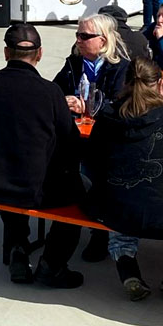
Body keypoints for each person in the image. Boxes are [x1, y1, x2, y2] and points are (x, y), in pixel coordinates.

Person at [0, 23, 85, 288]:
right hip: (29, 188)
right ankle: (51, 264)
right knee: (79, 195)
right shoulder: (50, 92)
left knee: (16, 172)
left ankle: (18, 246)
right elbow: (70, 144)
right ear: (39, 54)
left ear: (6, 53)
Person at [82, 58, 163, 300]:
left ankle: (127, 267)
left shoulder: (107, 118)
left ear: (126, 83)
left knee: (118, 205)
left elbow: (91, 163)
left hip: (118, 211)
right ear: (161, 84)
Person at [52, 13, 131, 264]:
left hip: (106, 139)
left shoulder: (121, 68)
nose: (79, 40)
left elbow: (121, 106)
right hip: (76, 133)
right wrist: (64, 100)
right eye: (77, 34)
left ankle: (99, 232)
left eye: (85, 36)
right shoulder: (73, 63)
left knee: (92, 172)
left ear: (104, 40)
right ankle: (67, 222)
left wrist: (88, 106)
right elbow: (54, 90)